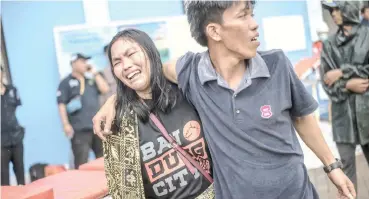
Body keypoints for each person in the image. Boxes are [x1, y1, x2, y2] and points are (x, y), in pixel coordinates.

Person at [94, 1, 356, 199]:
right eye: (243, 15)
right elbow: (149, 74)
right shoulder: (192, 75)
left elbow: (302, 117)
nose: (254, 23)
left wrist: (332, 166)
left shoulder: (276, 64)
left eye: (251, 14)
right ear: (214, 31)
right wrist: (117, 99)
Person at [102, 29, 214, 199]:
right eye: (117, 62)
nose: (126, 65)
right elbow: (124, 192)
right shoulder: (118, 122)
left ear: (150, 52)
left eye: (131, 53)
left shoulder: (187, 91)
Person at [320, 1, 369, 192]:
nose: (333, 13)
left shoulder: (367, 36)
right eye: (331, 10)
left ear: (348, 8)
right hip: (343, 119)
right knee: (346, 175)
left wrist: (342, 72)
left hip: (366, 113)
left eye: (336, 9)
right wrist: (349, 84)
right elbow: (327, 82)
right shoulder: (329, 44)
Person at [57, 53, 110, 169]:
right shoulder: (65, 83)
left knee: (104, 158)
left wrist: (95, 72)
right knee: (82, 161)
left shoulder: (91, 80)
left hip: (97, 127)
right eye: (82, 61)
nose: (86, 64)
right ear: (74, 64)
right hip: (79, 129)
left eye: (86, 61)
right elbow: (61, 104)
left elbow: (105, 89)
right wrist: (65, 124)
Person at [1, 66, 25, 185]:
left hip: (16, 138)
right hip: (1, 142)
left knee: (20, 172)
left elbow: (14, 109)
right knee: (3, 178)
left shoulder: (12, 90)